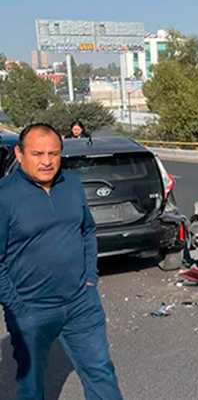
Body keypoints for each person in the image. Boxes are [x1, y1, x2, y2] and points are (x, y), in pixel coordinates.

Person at [0, 123, 123, 400]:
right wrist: (16, 306)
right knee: (31, 386)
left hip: (81, 303)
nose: (46, 161)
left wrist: (90, 278)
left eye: (53, 153)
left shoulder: (72, 185)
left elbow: (88, 231)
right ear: (19, 154)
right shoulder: (4, 196)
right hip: (31, 308)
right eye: (38, 153)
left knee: (100, 372)